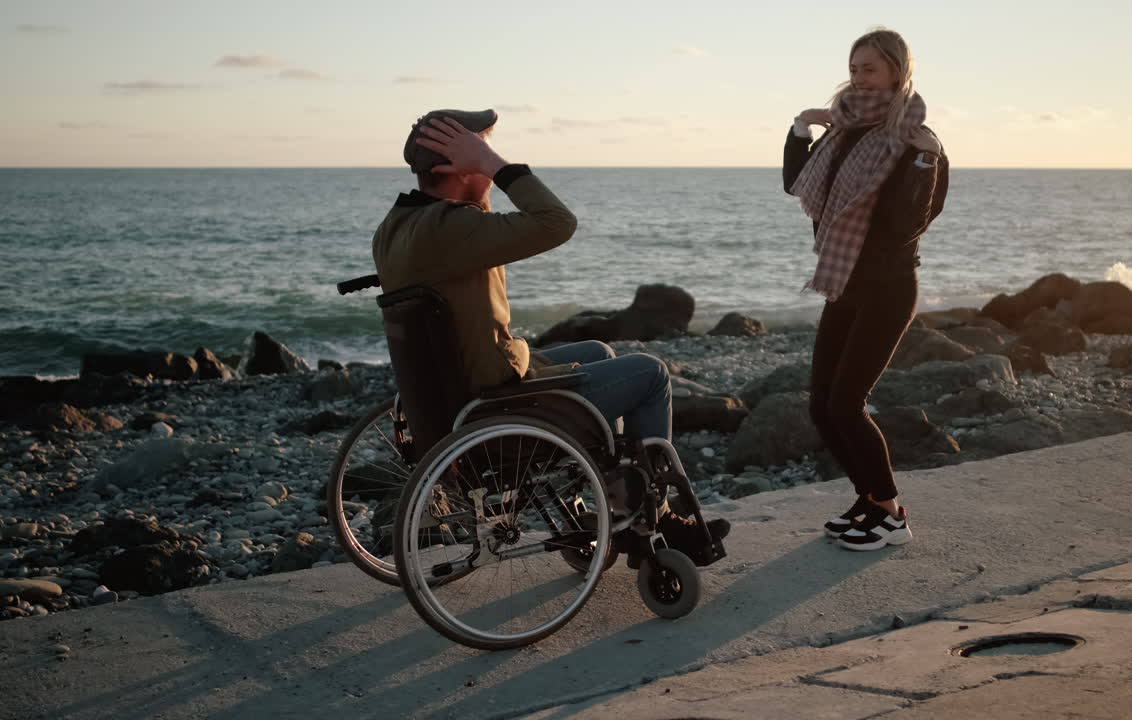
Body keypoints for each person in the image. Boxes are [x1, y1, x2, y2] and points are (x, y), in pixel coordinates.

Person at [371, 108, 728, 556]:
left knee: (597, 349)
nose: (488, 154)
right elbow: (558, 222)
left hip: (456, 391)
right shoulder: (455, 231)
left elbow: (476, 220)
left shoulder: (397, 228)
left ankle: (611, 498)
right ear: (451, 166)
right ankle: (652, 523)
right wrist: (497, 169)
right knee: (651, 374)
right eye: (479, 148)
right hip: (499, 405)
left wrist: (472, 172)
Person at [782, 29, 948, 551]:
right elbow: (796, 182)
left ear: (897, 72)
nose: (858, 77)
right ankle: (871, 501)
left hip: (888, 286)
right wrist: (799, 129)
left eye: (870, 68)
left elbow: (907, 224)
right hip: (844, 284)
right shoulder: (842, 129)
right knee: (821, 407)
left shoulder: (917, 140)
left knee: (848, 403)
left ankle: (891, 515)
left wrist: (924, 164)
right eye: (854, 67)